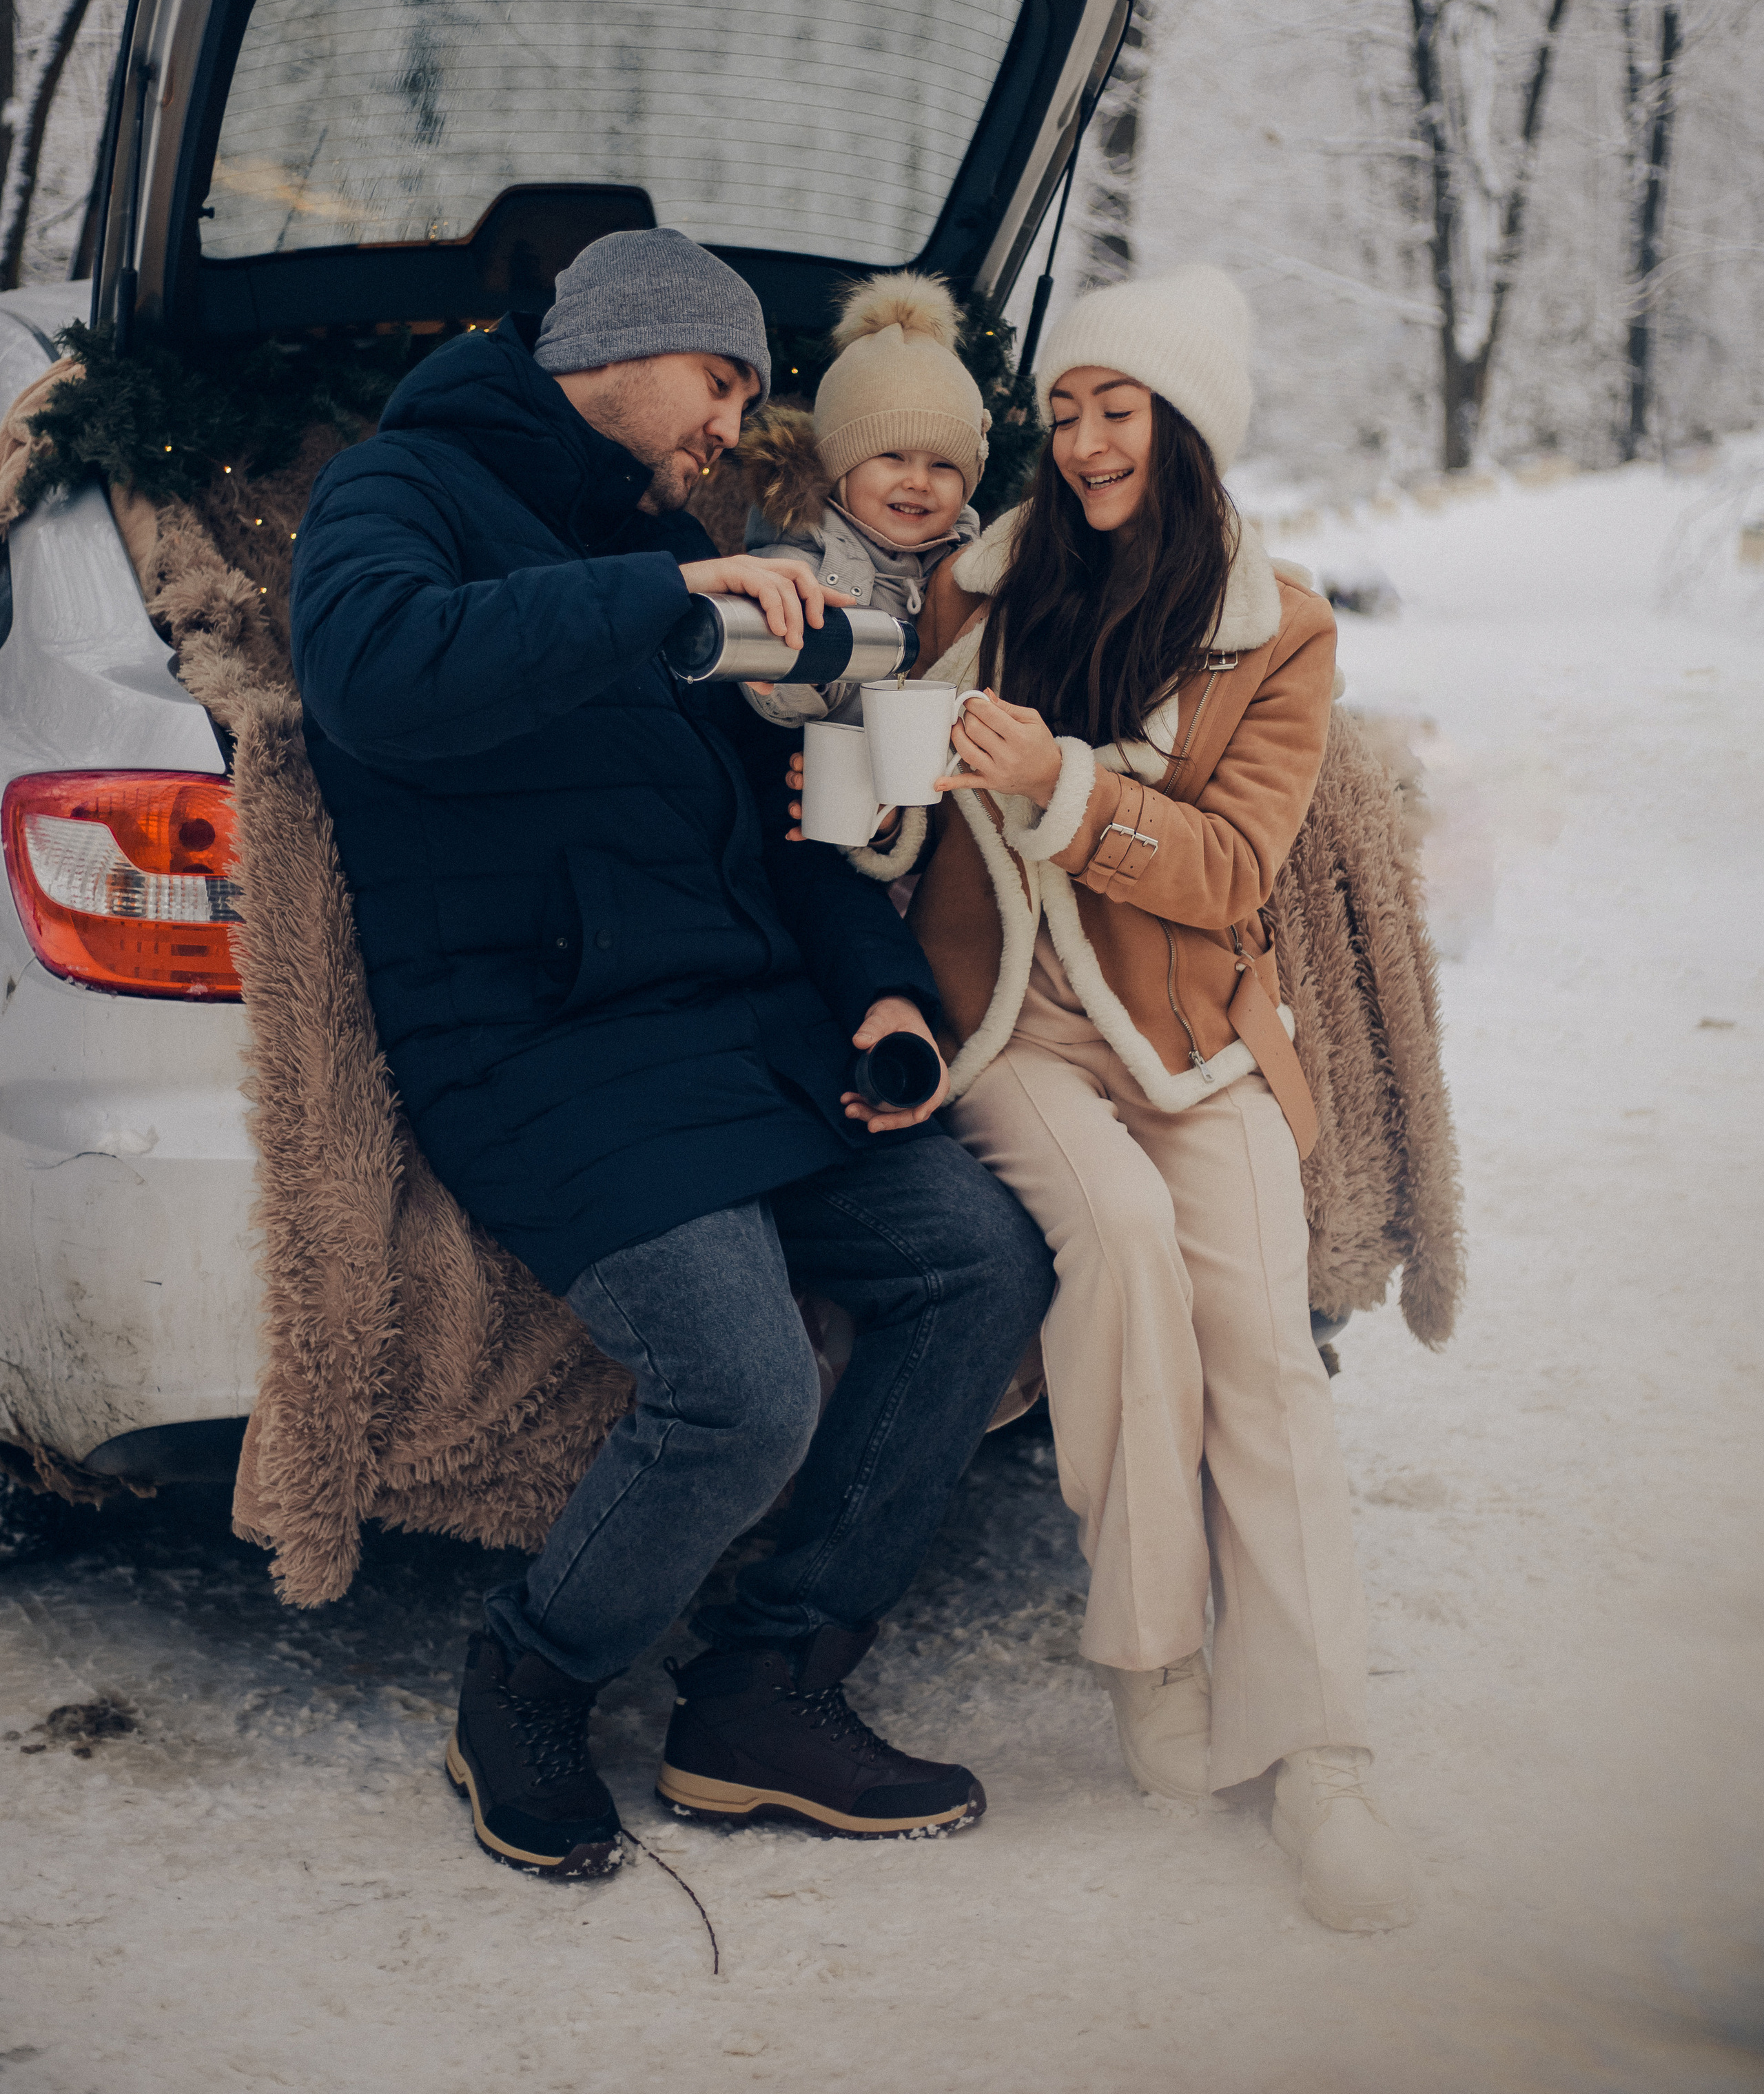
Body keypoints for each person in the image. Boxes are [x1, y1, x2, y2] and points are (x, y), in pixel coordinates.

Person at [287, 227, 1052, 1880]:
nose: (731, 425)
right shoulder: (397, 491)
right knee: (741, 1392)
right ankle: (531, 1674)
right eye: (719, 381)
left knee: (979, 1257)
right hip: (542, 1048)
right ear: (615, 347)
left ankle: (765, 1686)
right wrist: (661, 596)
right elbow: (370, 673)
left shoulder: (662, 541)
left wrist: (880, 994)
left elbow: (774, 830)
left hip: (738, 1033)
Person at [835, 266, 1417, 1934]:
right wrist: (880, 795)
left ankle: (1318, 1752)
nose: (1086, 440)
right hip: (1009, 1022)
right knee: (1121, 1247)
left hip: (1190, 1028)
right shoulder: (977, 585)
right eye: (1067, 409)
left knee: (1262, 1351)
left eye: (1120, 409)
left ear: (1186, 428)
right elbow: (894, 805)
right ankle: (1152, 1649)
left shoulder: (1276, 626)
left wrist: (1065, 785)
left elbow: (1230, 867)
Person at [735, 271, 986, 728]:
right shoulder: (798, 566)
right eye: (893, 456)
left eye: (943, 465)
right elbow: (781, 706)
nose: (919, 482)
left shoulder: (970, 570)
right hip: (830, 761)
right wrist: (797, 666)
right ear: (840, 469)